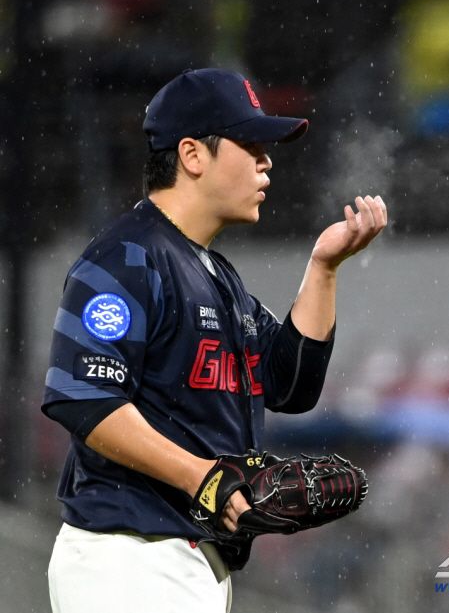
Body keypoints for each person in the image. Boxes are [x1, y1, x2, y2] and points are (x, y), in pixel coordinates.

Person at [41, 68, 388, 613]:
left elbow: (290, 384)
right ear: (192, 155)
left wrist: (323, 269)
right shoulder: (127, 258)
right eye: (249, 143)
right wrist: (204, 477)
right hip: (128, 556)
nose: (266, 160)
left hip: (188, 559)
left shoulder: (215, 275)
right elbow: (84, 399)